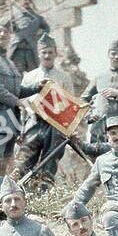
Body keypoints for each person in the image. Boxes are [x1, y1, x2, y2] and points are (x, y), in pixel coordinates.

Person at [0, 20, 47, 174]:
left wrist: (36, 87)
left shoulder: (9, 63)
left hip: (9, 120)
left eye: (7, 32)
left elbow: (16, 89)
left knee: (4, 166)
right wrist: (17, 102)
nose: (3, 34)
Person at [12, 32, 74, 188]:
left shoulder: (64, 77)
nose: (47, 55)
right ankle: (20, 192)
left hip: (55, 127)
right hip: (33, 123)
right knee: (24, 162)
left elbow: (70, 104)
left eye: (50, 52)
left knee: (49, 164)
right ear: (39, 54)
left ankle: (44, 194)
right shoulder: (30, 77)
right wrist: (20, 129)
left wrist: (67, 128)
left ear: (55, 53)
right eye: (44, 52)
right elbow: (22, 104)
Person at [8, 0, 51, 74]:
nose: (26, 1)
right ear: (20, 2)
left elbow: (47, 28)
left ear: (31, 2)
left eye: (28, 0)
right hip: (18, 50)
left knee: (34, 74)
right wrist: (12, 21)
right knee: (16, 74)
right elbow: (13, 30)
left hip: (31, 50)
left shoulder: (37, 17)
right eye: (24, 0)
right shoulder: (16, 16)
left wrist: (39, 35)